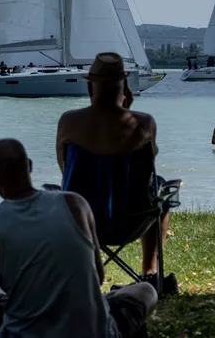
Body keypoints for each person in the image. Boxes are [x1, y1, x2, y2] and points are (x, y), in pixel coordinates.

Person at [0, 139, 157, 338]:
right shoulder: (75, 204)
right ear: (29, 165)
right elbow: (98, 276)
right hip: (96, 332)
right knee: (146, 290)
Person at [56, 53, 173, 276]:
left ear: (91, 87)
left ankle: (81, 270)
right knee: (160, 188)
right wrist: (127, 110)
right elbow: (149, 169)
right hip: (133, 221)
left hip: (81, 222)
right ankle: (150, 269)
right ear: (124, 86)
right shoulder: (144, 123)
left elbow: (64, 169)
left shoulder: (68, 122)